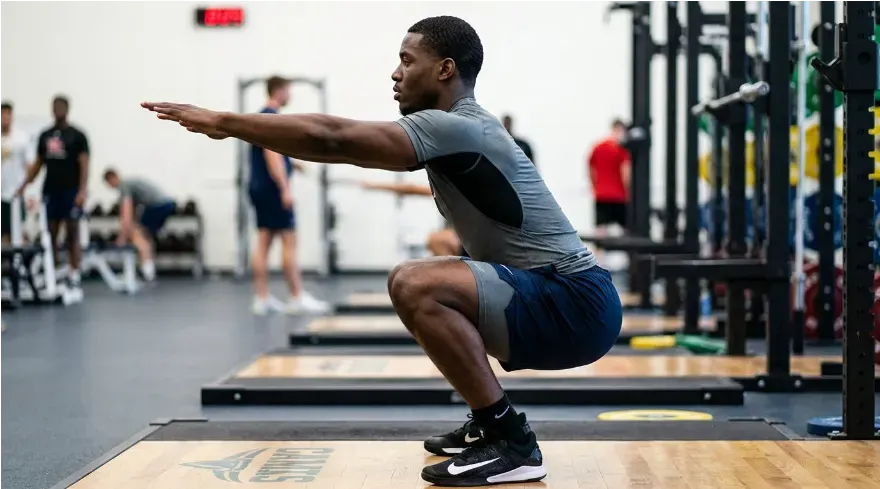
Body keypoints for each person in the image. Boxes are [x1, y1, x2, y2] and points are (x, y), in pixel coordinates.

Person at [142, 15, 622, 486]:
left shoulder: (457, 127)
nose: (395, 73)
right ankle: (488, 421)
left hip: (574, 302)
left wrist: (226, 122)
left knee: (415, 283)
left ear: (445, 69)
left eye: (407, 61)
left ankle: (511, 442)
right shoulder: (456, 129)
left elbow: (332, 138)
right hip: (558, 297)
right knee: (422, 277)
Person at [247, 76, 329, 315]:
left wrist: (292, 164)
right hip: (273, 188)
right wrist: (285, 188)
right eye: (288, 90)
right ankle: (296, 297)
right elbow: (272, 155)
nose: (290, 95)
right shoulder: (272, 118)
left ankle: (261, 299)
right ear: (279, 91)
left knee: (264, 241)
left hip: (260, 187)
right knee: (289, 240)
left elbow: (271, 154)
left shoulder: (261, 117)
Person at [16, 95, 90, 292]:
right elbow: (38, 164)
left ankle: (74, 272)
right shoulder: (45, 135)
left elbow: (84, 164)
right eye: (54, 107)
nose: (57, 110)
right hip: (51, 190)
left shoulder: (77, 136)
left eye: (60, 107)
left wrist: (82, 191)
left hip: (71, 190)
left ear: (67, 109)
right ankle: (53, 271)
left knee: (72, 231)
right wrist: (23, 185)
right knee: (50, 233)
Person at [102, 168, 176, 281]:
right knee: (145, 235)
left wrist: (121, 238)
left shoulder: (124, 186)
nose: (110, 186)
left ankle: (147, 271)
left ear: (113, 178)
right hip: (167, 204)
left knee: (138, 234)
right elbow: (133, 215)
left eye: (109, 183)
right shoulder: (131, 185)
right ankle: (149, 269)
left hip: (158, 206)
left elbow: (126, 216)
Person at [359, 181, 466, 257]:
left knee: (439, 241)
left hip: (467, 243)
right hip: (457, 241)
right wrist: (375, 186)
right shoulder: (442, 196)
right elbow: (411, 189)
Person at [587, 119, 631, 239]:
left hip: (601, 195)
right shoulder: (621, 150)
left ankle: (598, 252)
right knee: (625, 230)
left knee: (600, 231)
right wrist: (630, 192)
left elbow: (591, 169)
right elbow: (625, 173)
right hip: (619, 196)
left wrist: (594, 186)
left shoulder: (597, 147)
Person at [0, 102, 35, 242]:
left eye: (7, 114)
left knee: (17, 233)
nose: (5, 118)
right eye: (2, 114)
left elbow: (30, 166)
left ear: (11, 116)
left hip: (16, 194)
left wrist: (28, 190)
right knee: (2, 235)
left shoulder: (21, 138)